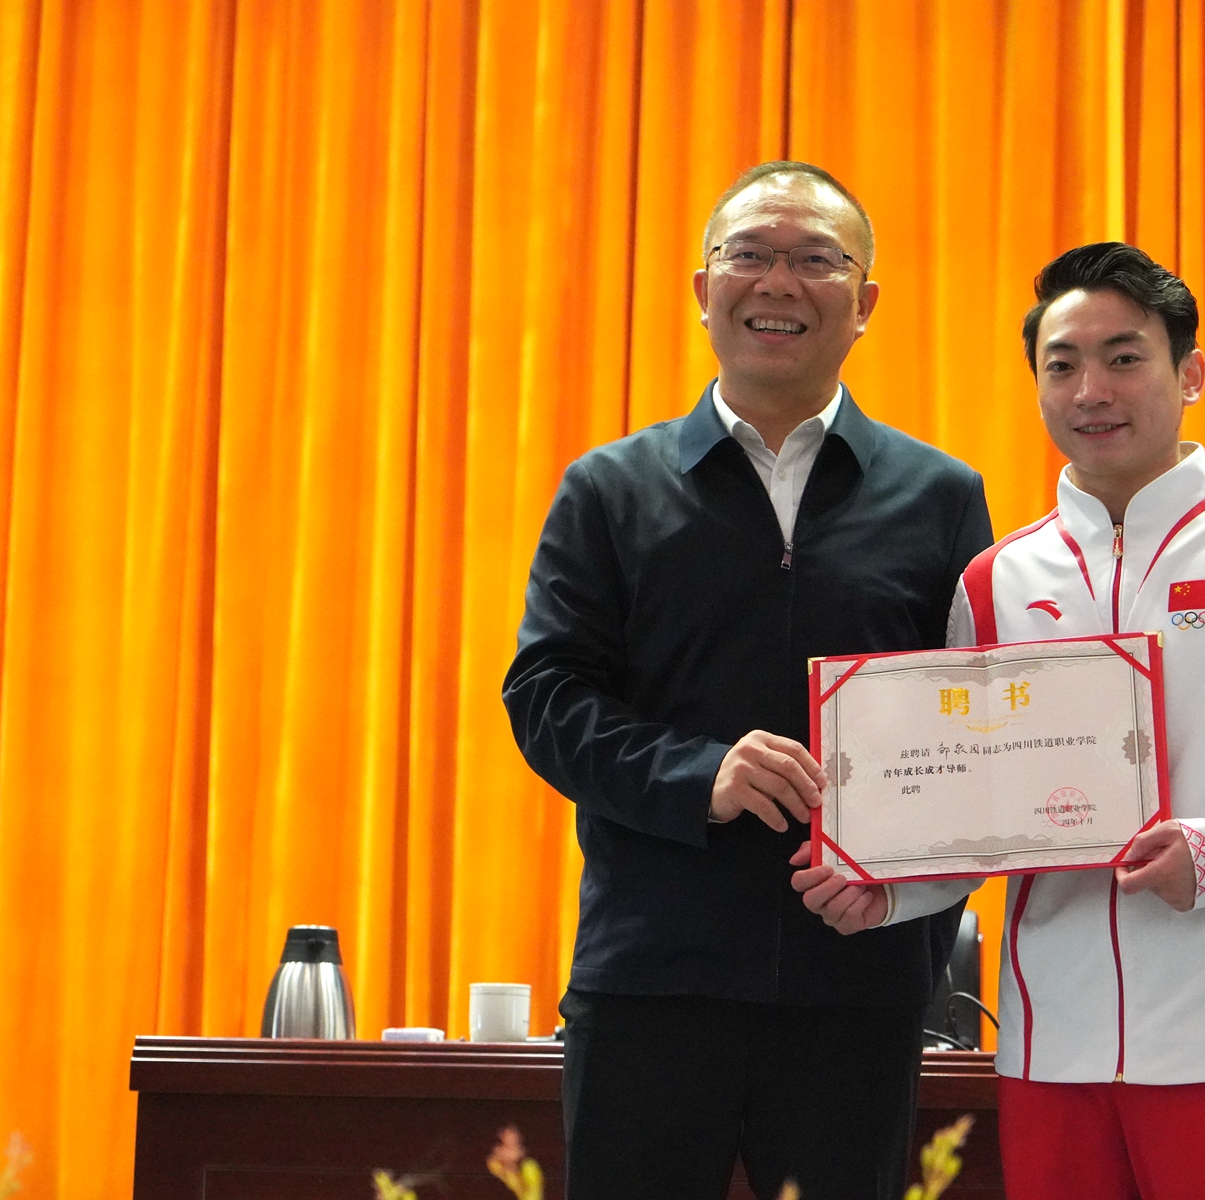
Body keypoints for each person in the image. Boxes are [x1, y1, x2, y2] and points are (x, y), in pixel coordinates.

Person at [789, 243, 1205, 1199]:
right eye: (1062, 364)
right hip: (1051, 1052)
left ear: (1190, 373)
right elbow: (979, 806)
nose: (1092, 389)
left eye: (1124, 357)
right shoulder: (996, 580)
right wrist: (889, 890)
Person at [502, 161, 993, 1200]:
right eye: (751, 255)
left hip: (856, 983)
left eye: (816, 259)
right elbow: (546, 697)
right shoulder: (610, 488)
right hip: (651, 978)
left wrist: (903, 881)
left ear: (864, 304)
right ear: (702, 290)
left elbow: (972, 719)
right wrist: (700, 774)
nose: (778, 283)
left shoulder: (940, 495)